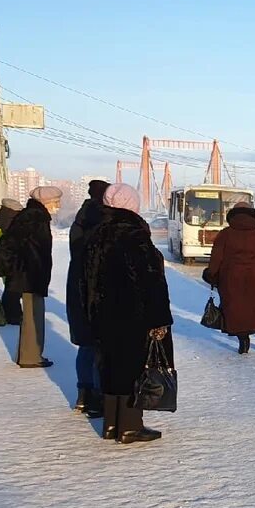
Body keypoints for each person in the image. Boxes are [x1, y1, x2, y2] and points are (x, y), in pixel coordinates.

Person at [84, 183, 172, 444]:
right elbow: (149, 281)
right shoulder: (134, 234)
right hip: (133, 313)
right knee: (134, 368)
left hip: (103, 312)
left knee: (110, 366)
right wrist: (159, 319)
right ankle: (131, 426)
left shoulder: (97, 233)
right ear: (131, 205)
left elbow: (85, 279)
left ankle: (111, 423)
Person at [0, 185, 60, 367]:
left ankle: (31, 354)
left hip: (30, 272)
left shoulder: (34, 216)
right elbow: (10, 242)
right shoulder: (33, 217)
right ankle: (30, 356)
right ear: (46, 202)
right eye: (56, 202)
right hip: (29, 273)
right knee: (32, 317)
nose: (58, 206)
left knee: (33, 315)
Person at [203, 199, 255, 354]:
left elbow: (216, 258)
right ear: (253, 215)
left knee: (237, 310)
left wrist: (211, 275)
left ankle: (243, 344)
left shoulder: (225, 234)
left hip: (231, 280)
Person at [67, 180, 110, 417]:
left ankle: (84, 395)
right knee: (101, 345)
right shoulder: (102, 221)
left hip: (78, 285)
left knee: (86, 344)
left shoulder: (80, 218)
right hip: (98, 288)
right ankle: (98, 396)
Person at [0, 198, 25, 324]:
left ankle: (10, 313)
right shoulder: (11, 220)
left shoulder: (5, 217)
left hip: (6, 257)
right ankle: (13, 315)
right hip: (11, 258)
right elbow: (9, 241)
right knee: (13, 288)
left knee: (11, 286)